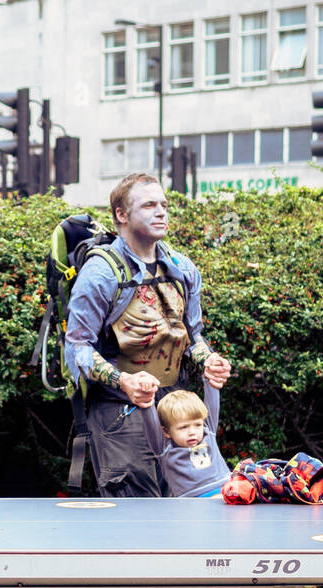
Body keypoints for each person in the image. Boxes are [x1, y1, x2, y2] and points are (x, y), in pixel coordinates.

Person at [63, 172, 229, 497]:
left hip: (175, 408)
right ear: (121, 215)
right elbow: (77, 348)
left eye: (164, 204)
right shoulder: (100, 273)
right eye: (150, 204)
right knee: (135, 519)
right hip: (119, 410)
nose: (161, 211)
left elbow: (193, 335)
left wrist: (209, 360)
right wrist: (122, 380)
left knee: (187, 505)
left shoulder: (183, 268)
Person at [141, 378, 232, 498]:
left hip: (225, 491)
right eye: (183, 427)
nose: (192, 432)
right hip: (190, 503)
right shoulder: (164, 448)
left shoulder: (207, 432)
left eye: (198, 425)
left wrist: (210, 378)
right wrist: (146, 396)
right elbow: (150, 420)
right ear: (166, 431)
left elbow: (212, 398)